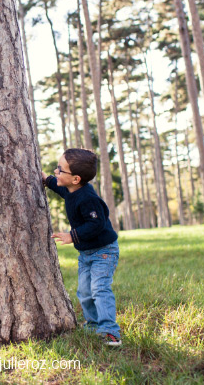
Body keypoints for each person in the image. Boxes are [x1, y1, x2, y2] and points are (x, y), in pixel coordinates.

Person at [41, 148, 122, 346]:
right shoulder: (71, 189)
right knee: (85, 292)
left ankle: (110, 330)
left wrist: (72, 236)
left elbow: (97, 224)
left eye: (60, 169)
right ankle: (94, 323)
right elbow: (58, 186)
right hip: (86, 253)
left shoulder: (88, 198)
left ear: (76, 179)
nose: (57, 171)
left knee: (99, 289)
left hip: (103, 252)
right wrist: (46, 178)